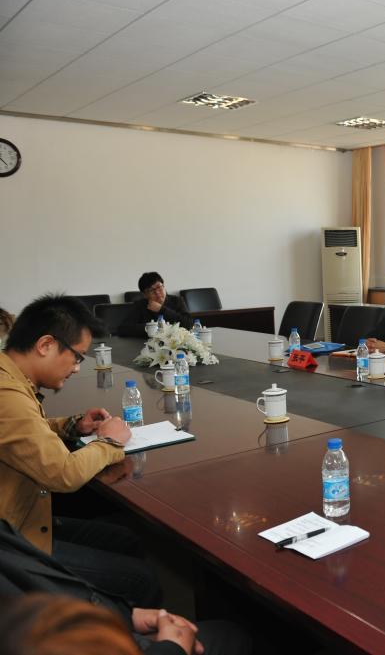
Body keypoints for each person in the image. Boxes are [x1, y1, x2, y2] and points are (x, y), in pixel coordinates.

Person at [0, 294, 160, 607]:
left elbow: (23, 431)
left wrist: (73, 425)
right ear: (46, 345)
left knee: (125, 539)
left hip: (23, 517)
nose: (76, 369)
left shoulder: (11, 380)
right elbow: (63, 473)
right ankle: (120, 628)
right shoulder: (6, 394)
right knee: (141, 580)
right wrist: (110, 442)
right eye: (77, 357)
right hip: (12, 544)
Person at [0, 520, 251, 655]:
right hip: (98, 642)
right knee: (231, 637)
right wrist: (171, 648)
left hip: (95, 626)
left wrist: (127, 615)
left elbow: (46, 582)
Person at [119, 273, 193, 337]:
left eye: (159, 287)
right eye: (151, 290)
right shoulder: (140, 305)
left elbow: (189, 324)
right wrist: (152, 328)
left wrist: (162, 310)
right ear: (145, 295)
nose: (157, 292)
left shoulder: (177, 301)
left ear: (164, 286)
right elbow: (123, 329)